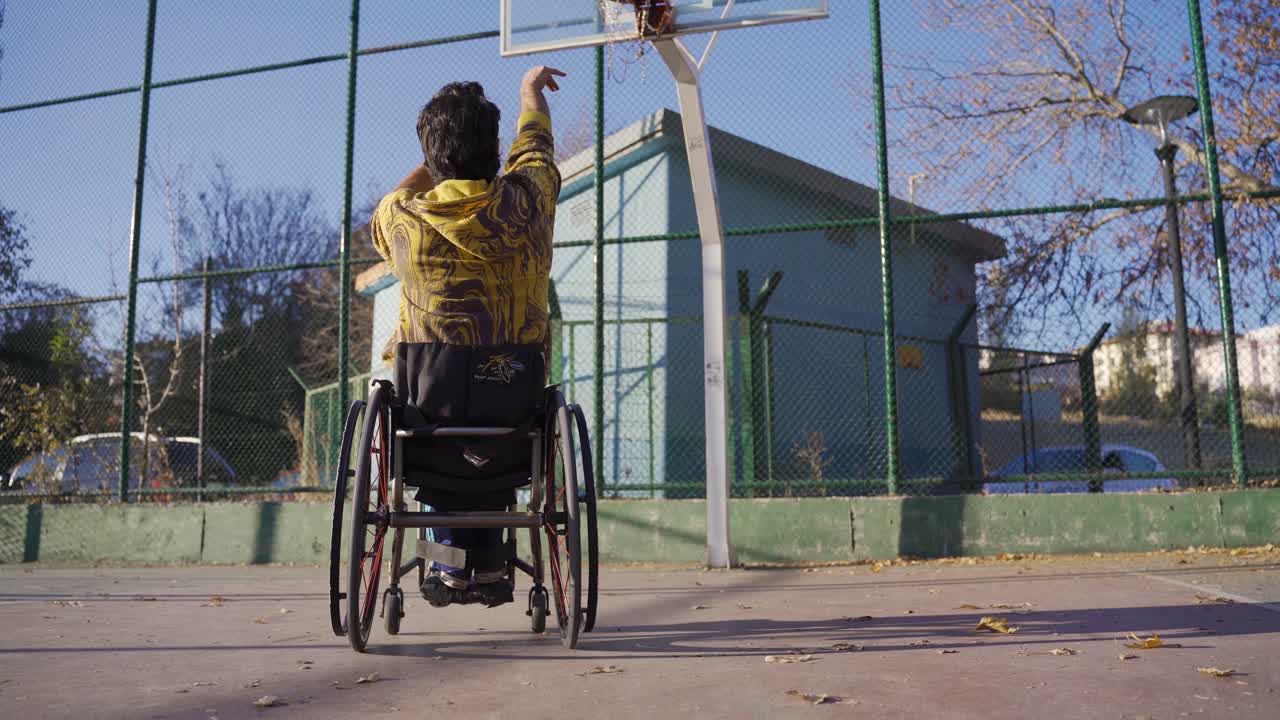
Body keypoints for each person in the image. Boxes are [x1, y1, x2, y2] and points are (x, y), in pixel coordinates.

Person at [369, 66, 565, 608]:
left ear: (431, 157)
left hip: (429, 430)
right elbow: (536, 151)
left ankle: (451, 566)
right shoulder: (528, 206)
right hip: (514, 427)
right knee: (496, 432)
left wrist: (434, 165)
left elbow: (392, 200)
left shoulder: (403, 221)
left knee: (436, 439)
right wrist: (529, 93)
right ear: (495, 148)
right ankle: (492, 563)